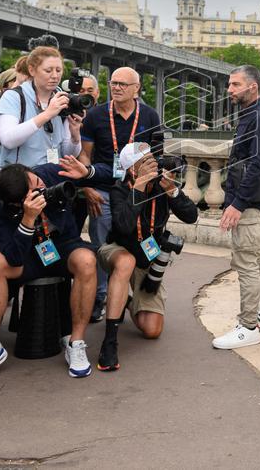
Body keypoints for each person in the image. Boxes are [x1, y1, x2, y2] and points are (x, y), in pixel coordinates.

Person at [0, 158, 103, 386]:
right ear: (15, 203)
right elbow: (13, 257)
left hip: (62, 247)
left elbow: (108, 176)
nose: (40, 189)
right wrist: (27, 219)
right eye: (32, 192)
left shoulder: (51, 172)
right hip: (27, 255)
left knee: (86, 260)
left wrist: (87, 174)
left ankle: (76, 343)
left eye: (36, 181)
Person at [96, 144, 197, 370]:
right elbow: (123, 227)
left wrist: (173, 191)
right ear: (132, 169)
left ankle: (125, 300)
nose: (154, 165)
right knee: (126, 261)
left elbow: (191, 216)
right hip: (117, 250)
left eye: (153, 159)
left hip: (146, 260)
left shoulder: (162, 188)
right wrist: (139, 188)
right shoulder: (119, 190)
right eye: (147, 162)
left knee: (152, 330)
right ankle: (109, 342)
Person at [77, 67, 161, 322]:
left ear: (137, 89)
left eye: (124, 84)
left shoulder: (149, 115)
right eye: (114, 83)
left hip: (135, 192)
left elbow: (156, 157)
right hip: (101, 190)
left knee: (135, 240)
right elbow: (84, 155)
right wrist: (86, 187)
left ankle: (134, 296)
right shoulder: (95, 115)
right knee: (103, 245)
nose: (117, 88)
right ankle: (101, 297)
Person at [213, 65, 260, 349]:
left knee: (245, 263)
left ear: (252, 87)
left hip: (249, 202)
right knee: (255, 256)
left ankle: (248, 325)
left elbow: (257, 165)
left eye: (235, 85)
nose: (229, 89)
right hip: (247, 199)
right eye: (230, 84)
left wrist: (237, 204)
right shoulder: (252, 114)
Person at [0, 46, 82, 169]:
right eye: (48, 70)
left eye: (59, 70)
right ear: (32, 70)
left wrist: (75, 136)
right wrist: (47, 115)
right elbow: (8, 140)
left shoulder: (62, 98)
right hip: (22, 178)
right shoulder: (14, 96)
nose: (55, 76)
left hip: (51, 178)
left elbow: (68, 154)